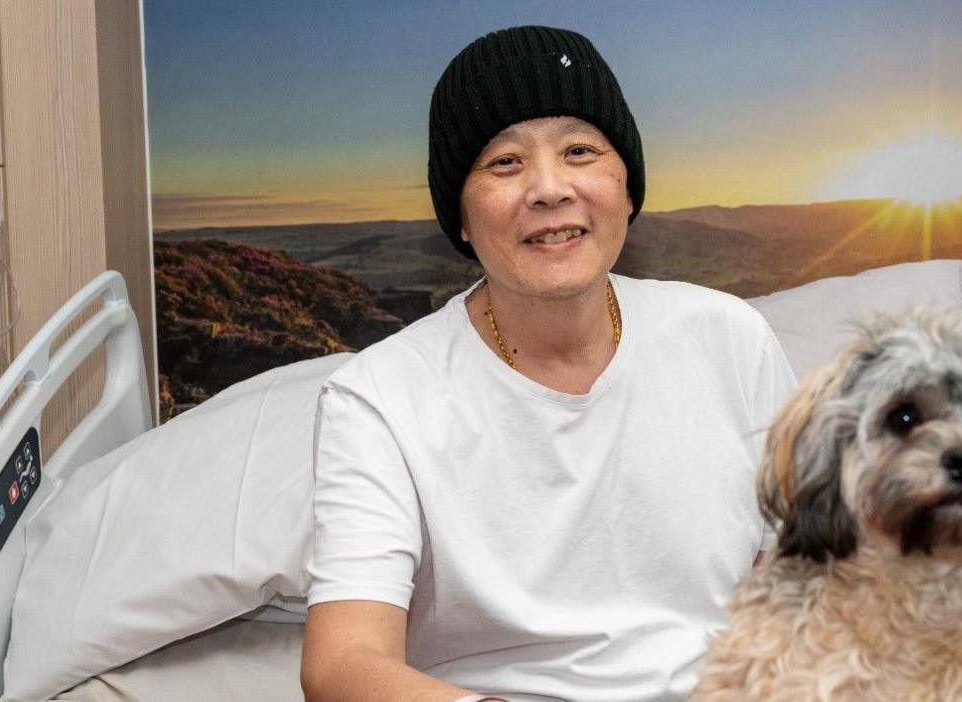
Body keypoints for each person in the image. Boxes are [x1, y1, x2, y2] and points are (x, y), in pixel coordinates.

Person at [300, 26, 797, 702]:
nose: (549, 188)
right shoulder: (380, 397)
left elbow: (803, 573)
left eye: (580, 150)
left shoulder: (730, 338)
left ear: (626, 189)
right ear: (463, 218)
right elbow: (342, 665)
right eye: (504, 163)